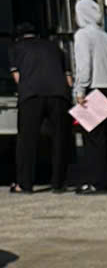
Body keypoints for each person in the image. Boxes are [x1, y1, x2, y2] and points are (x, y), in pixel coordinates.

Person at [8, 21, 72, 193]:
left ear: (18, 36)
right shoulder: (54, 47)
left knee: (27, 140)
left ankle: (25, 184)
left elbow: (17, 77)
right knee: (60, 139)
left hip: (32, 95)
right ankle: (59, 183)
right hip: (59, 94)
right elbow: (68, 78)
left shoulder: (16, 48)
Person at [68, 0, 107, 194]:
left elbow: (84, 66)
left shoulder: (83, 35)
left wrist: (79, 90)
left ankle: (96, 182)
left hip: (93, 88)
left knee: (93, 140)